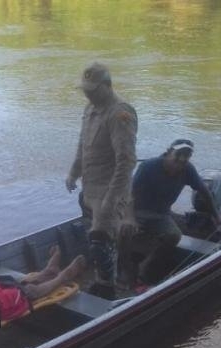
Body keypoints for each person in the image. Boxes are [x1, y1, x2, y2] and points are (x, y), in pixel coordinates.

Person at [65, 61, 138, 300]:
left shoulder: (120, 113)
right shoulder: (90, 109)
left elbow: (126, 162)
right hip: (90, 187)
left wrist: (112, 198)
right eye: (86, 89)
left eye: (93, 89)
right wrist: (74, 172)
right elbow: (82, 144)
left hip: (110, 189)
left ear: (107, 86)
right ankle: (103, 277)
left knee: (100, 237)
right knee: (94, 237)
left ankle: (108, 288)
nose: (87, 93)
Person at [129, 138, 221, 285]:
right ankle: (124, 269)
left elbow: (204, 191)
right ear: (168, 152)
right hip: (138, 211)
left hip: (161, 215)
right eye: (179, 153)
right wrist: (129, 219)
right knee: (125, 231)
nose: (182, 158)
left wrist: (217, 218)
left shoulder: (188, 169)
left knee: (174, 236)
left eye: (187, 155)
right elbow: (130, 196)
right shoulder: (148, 167)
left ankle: (146, 266)